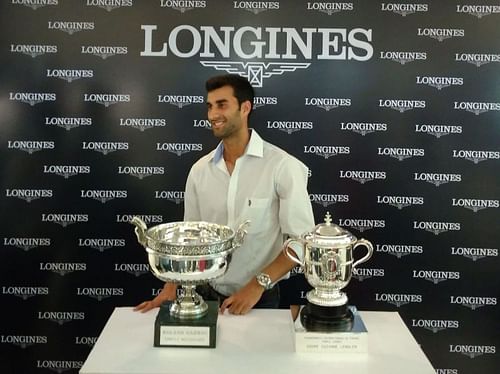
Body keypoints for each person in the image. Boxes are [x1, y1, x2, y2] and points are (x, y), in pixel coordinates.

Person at [134, 74, 314, 315]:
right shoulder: (200, 170)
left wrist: (255, 286)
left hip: (259, 299)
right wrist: (170, 287)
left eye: (222, 105)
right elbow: (189, 239)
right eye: (209, 106)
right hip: (204, 296)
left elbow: (301, 242)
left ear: (245, 108)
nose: (213, 115)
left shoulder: (282, 166)